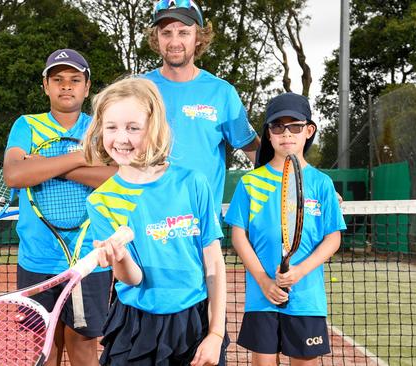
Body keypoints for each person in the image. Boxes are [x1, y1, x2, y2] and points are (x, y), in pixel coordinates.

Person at [82, 77, 229, 366]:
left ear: (154, 127)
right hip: (136, 326)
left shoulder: (193, 183)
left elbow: (213, 263)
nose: (121, 138)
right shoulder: (101, 201)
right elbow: (133, 278)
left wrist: (215, 333)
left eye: (133, 127)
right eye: (111, 127)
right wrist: (120, 258)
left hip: (194, 321)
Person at [3, 48, 116, 366]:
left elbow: (116, 178)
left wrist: (49, 165)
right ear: (45, 86)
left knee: (82, 346)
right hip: (37, 260)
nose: (66, 86)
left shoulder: (101, 127)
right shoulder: (26, 125)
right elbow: (15, 174)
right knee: (45, 349)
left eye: (74, 79)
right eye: (58, 79)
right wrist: (82, 159)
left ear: (87, 86)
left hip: (90, 260)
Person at [224, 92, 346, 366]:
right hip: (261, 298)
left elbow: (333, 238)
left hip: (306, 299)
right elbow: (239, 236)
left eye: (295, 126)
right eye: (277, 126)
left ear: (309, 130)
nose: (286, 133)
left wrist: (300, 272)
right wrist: (264, 282)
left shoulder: (322, 183)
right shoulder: (251, 183)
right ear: (268, 134)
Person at [144, 0, 260, 216]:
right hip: (146, 224)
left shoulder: (222, 93)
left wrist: (309, 188)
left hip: (201, 228)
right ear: (156, 38)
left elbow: (257, 154)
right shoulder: (137, 89)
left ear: (198, 37)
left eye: (183, 32)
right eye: (166, 32)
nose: (174, 41)